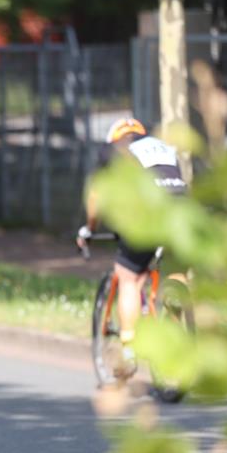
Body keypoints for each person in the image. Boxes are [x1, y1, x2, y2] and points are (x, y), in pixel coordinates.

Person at [76, 118, 187, 378]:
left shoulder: (114, 150)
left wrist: (90, 228)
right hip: (180, 209)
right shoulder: (162, 146)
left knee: (129, 278)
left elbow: (97, 195)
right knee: (175, 271)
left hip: (148, 211)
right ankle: (177, 332)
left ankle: (128, 352)